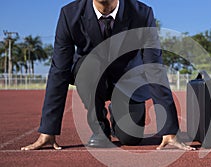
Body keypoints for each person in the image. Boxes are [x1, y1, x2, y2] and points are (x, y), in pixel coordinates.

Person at [21, 0, 195, 151]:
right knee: (90, 65)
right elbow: (59, 70)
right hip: (92, 75)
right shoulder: (69, 14)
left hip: (129, 79)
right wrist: (48, 130)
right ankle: (100, 130)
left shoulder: (142, 13)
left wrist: (170, 130)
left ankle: (118, 111)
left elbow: (154, 67)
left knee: (130, 139)